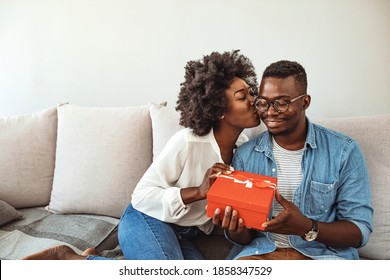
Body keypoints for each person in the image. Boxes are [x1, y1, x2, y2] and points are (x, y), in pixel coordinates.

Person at [22, 50, 260, 260]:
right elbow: (141, 196)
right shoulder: (188, 142)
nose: (253, 101)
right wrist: (198, 192)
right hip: (146, 218)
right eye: (242, 97)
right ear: (218, 109)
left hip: (186, 232)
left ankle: (90, 262)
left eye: (251, 93)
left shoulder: (245, 147)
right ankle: (68, 258)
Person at [212, 60, 373, 260]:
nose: (270, 112)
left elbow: (359, 230)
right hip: (261, 254)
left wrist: (307, 227)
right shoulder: (246, 154)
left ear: (305, 102)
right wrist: (234, 226)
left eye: (281, 103)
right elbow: (245, 236)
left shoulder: (344, 151)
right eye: (263, 102)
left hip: (321, 257)